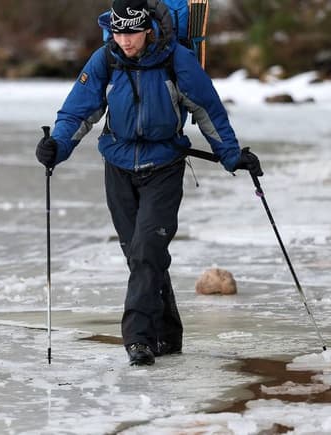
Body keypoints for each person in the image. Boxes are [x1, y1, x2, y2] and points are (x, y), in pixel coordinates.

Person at [35, 0, 262, 366]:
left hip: (164, 167)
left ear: (147, 29)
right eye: (120, 32)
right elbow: (79, 110)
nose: (125, 41)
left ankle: (137, 339)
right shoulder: (105, 59)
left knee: (146, 252)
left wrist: (232, 155)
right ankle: (168, 335)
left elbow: (208, 109)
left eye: (132, 32)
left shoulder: (177, 60)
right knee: (141, 257)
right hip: (118, 167)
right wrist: (57, 147)